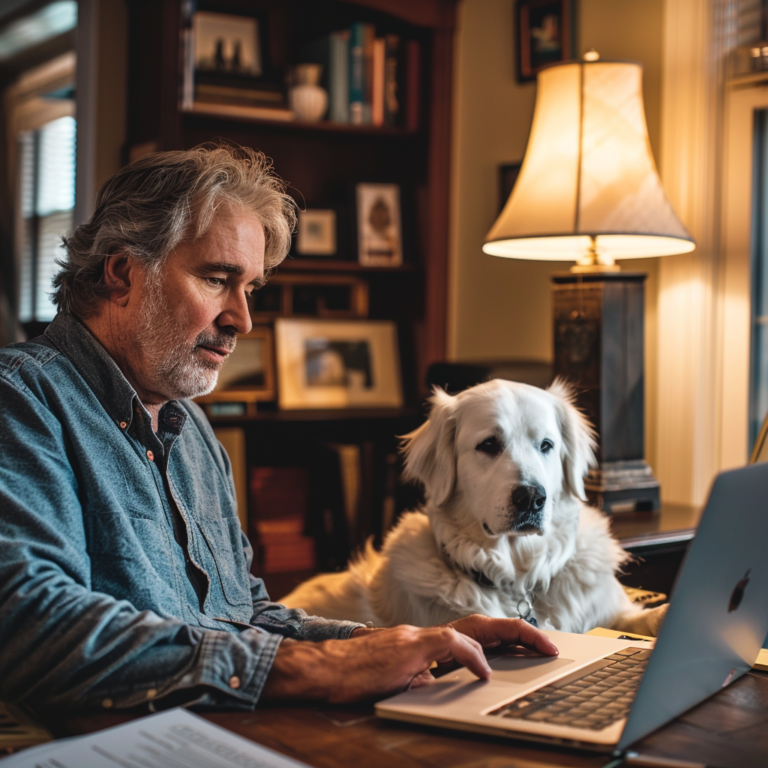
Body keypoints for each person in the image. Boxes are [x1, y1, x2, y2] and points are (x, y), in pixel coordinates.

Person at [0, 143, 558, 714]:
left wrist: (389, 644)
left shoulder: (189, 429)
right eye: (217, 279)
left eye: (250, 289)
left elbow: (243, 615)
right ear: (121, 273)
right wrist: (321, 667)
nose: (241, 319)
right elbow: (31, 626)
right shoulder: (20, 401)